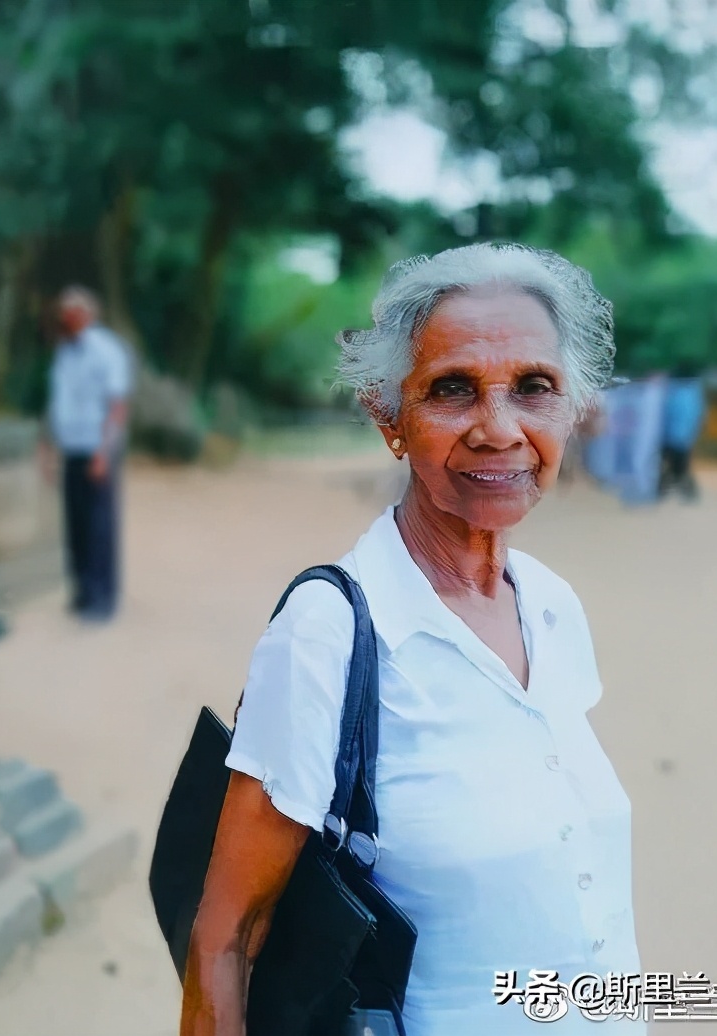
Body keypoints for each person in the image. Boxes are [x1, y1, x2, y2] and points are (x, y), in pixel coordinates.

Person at [182, 244, 643, 1034]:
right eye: (452, 389)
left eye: (534, 387)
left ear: (571, 409)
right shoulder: (329, 632)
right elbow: (226, 938)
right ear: (389, 417)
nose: (499, 429)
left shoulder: (551, 606)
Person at [39, 286, 132, 622]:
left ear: (86, 314)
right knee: (75, 524)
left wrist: (104, 452)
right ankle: (81, 591)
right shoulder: (64, 352)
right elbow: (56, 401)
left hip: (97, 449)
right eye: (62, 312)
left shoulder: (107, 350)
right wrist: (46, 445)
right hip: (71, 448)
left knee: (99, 526)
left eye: (71, 312)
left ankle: (102, 598)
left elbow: (116, 405)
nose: (65, 317)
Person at [658, 364, 705, 501]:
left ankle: (670, 489)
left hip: (672, 436)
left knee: (676, 466)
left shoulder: (674, 389)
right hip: (679, 436)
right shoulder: (692, 391)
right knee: (676, 466)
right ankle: (677, 490)